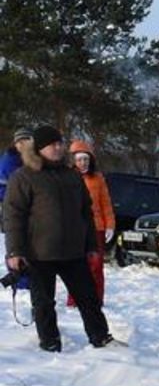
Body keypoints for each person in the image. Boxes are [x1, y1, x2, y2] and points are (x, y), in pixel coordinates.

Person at [3, 125, 113, 352]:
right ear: (40, 148)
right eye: (53, 144)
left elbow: (86, 212)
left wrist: (91, 244)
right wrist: (14, 251)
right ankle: (50, 342)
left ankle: (100, 337)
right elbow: (13, 217)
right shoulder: (23, 177)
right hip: (39, 252)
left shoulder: (71, 175)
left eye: (60, 143)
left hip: (73, 251)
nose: (59, 147)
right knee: (44, 303)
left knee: (88, 298)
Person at [67, 140, 115, 306]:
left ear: (90, 160)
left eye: (85, 159)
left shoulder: (98, 178)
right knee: (76, 265)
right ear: (74, 161)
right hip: (75, 228)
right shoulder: (68, 177)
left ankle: (96, 299)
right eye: (79, 160)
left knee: (96, 266)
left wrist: (110, 225)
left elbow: (106, 203)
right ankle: (74, 300)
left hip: (96, 228)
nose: (82, 163)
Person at [0, 128, 33, 230]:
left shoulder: (26, 156)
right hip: (8, 199)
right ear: (15, 143)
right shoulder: (10, 159)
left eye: (26, 141)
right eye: (20, 142)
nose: (22, 145)